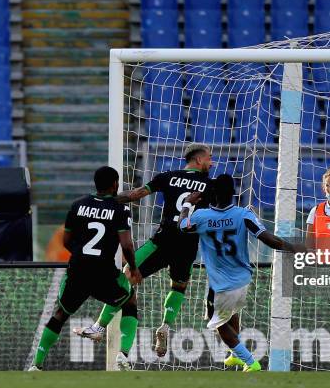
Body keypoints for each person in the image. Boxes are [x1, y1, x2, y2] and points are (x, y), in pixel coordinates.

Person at [74, 143, 213, 358]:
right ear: (198, 160)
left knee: (125, 276)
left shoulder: (168, 176)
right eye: (209, 158)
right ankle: (165, 325)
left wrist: (104, 200)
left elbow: (135, 195)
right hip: (188, 243)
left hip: (163, 240)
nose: (211, 162)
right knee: (178, 286)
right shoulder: (209, 185)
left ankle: (99, 328)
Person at [178, 174, 303, 372]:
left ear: (212, 194)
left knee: (215, 322)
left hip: (220, 284)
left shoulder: (201, 216)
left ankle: (249, 361)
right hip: (243, 279)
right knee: (230, 313)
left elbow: (182, 227)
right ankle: (235, 356)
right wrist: (293, 247)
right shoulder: (243, 214)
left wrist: (186, 204)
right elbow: (268, 239)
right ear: (234, 193)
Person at [29, 166, 138, 371]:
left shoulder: (78, 205)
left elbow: (66, 241)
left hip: (78, 269)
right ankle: (123, 354)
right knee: (129, 299)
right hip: (103, 272)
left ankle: (37, 365)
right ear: (115, 184)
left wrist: (81, 254)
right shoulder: (120, 209)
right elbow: (126, 245)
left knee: (60, 314)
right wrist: (134, 267)